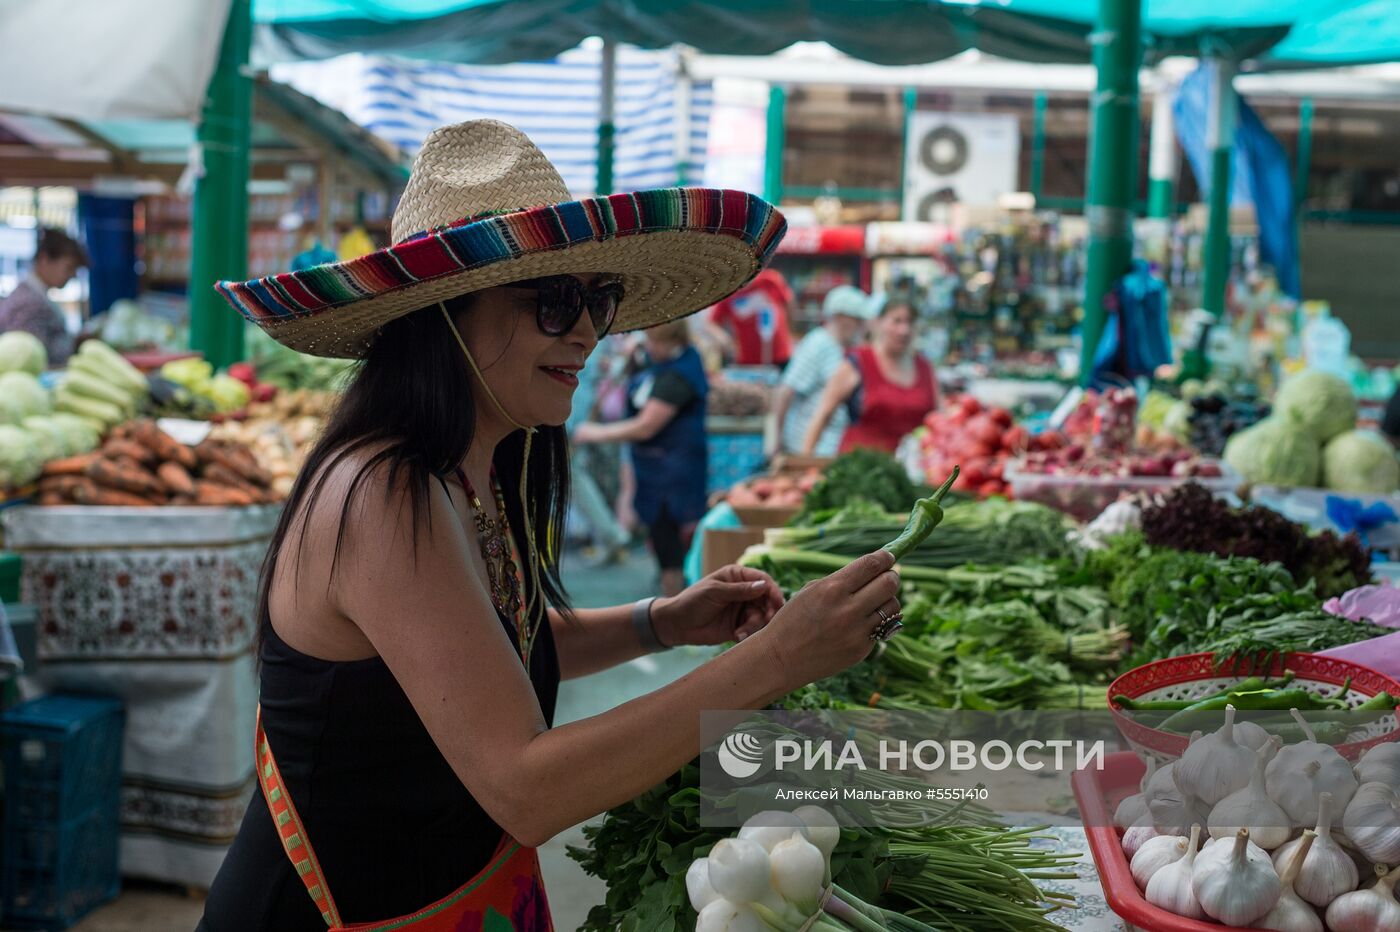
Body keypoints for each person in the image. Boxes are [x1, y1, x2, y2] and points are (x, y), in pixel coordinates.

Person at [199, 120, 901, 931]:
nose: (586, 334)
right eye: (556, 302)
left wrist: (661, 621)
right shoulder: (385, 492)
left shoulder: (476, 468)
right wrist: (778, 659)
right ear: (447, 313)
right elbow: (526, 789)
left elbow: (483, 658)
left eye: (597, 302)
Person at [574, 320, 706, 598]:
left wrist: (594, 433)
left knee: (671, 541)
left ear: (670, 341)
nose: (648, 348)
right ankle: (672, 595)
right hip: (652, 471)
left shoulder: (681, 374)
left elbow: (646, 425)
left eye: (653, 342)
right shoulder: (652, 364)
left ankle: (676, 603)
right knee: (660, 538)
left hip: (675, 473)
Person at [800, 295, 938, 455]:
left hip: (912, 469)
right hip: (861, 468)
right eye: (897, 321)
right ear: (879, 322)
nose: (904, 330)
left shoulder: (925, 368)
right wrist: (805, 463)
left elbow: (939, 420)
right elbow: (822, 416)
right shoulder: (858, 362)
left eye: (910, 322)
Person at [769, 284, 874, 457]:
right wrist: (777, 441)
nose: (861, 327)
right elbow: (785, 392)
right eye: (857, 320)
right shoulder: (818, 344)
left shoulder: (848, 348)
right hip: (808, 450)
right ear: (841, 317)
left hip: (835, 448)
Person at [0, 228, 88, 366]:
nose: (73, 275)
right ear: (44, 259)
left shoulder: (34, 295)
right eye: (69, 267)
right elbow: (25, 359)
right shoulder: (28, 303)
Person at [704, 267, 794, 367]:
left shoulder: (770, 279)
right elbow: (711, 323)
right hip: (747, 360)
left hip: (780, 355)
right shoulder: (728, 292)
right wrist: (723, 338)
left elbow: (789, 302)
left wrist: (789, 331)